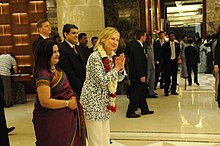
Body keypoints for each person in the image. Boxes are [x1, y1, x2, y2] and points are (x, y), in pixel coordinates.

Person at [32, 39, 86, 146]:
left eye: (58, 51)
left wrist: (73, 98)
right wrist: (67, 103)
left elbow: (69, 91)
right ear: (45, 54)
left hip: (66, 119)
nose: (58, 55)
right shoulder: (43, 74)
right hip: (50, 121)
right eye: (54, 52)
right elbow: (45, 101)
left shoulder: (59, 72)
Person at [80, 27, 126, 146]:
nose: (115, 42)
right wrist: (116, 68)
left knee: (105, 138)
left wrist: (120, 68)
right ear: (104, 39)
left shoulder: (112, 57)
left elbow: (119, 78)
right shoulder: (95, 57)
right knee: (96, 140)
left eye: (117, 39)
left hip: (105, 102)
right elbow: (102, 80)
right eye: (112, 38)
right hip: (93, 102)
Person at [126, 29, 154, 118]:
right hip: (137, 75)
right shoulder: (137, 46)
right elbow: (138, 62)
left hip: (136, 74)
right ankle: (130, 112)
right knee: (136, 93)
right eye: (145, 36)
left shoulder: (136, 45)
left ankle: (144, 109)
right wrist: (141, 75)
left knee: (141, 92)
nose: (146, 37)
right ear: (141, 36)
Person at [57, 24, 86, 97]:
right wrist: (80, 86)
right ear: (66, 34)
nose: (76, 35)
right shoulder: (61, 49)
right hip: (72, 88)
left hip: (83, 86)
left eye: (77, 33)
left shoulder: (79, 48)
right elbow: (67, 71)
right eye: (73, 33)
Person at [162, 32, 180, 96]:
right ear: (169, 37)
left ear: (174, 37)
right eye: (170, 36)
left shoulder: (177, 44)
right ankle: (166, 91)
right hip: (168, 63)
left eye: (173, 36)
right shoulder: (165, 45)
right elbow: (163, 54)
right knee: (167, 77)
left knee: (174, 77)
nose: (172, 37)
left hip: (174, 62)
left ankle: (173, 90)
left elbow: (178, 53)